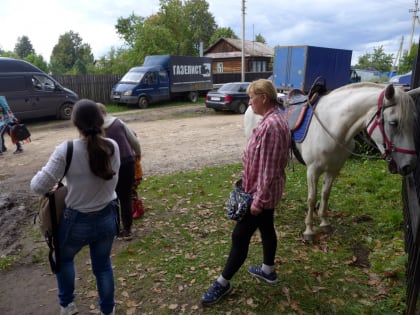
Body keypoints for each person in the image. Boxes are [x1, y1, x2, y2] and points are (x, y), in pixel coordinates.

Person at [201, 79, 291, 306]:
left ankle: (222, 283)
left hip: (261, 193)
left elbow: (269, 170)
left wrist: (258, 201)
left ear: (263, 98)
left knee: (239, 237)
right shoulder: (271, 120)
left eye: (252, 97)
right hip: (262, 189)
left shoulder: (271, 126)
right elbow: (262, 161)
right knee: (267, 227)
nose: (249, 101)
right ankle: (268, 270)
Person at [30, 99, 120, 315]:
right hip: (107, 217)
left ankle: (68, 306)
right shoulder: (113, 146)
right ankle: (108, 310)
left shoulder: (66, 150)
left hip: (77, 220)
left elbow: (37, 186)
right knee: (103, 265)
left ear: (74, 123)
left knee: (65, 259)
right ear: (101, 120)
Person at [97, 103, 141, 240]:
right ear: (106, 111)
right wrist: (138, 155)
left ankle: (115, 229)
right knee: (126, 196)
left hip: (108, 165)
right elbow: (134, 141)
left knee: (112, 197)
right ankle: (127, 230)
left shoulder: (94, 129)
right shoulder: (118, 122)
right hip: (127, 161)